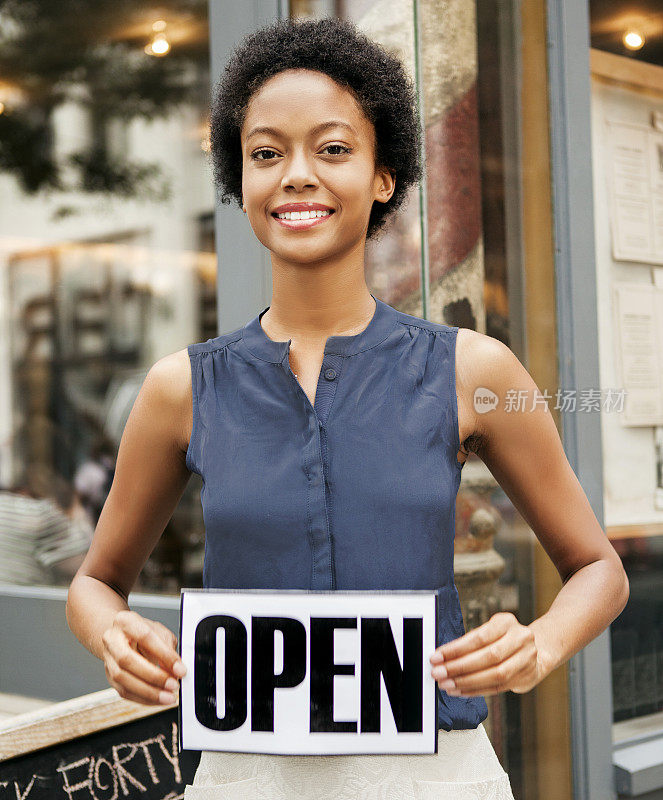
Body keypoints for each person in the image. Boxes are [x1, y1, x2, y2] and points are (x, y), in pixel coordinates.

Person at [66, 16, 629, 799]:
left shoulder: (473, 370)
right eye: (266, 153)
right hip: (243, 778)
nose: (296, 174)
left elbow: (599, 570)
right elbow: (95, 581)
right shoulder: (180, 388)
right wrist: (112, 633)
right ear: (240, 178)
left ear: (382, 175)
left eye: (332, 149)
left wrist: (537, 646)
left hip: (434, 777)